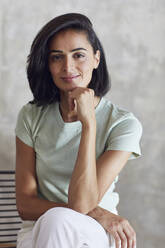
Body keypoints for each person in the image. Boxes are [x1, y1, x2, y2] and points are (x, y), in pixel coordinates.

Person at [15, 13, 142, 248]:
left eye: (79, 55)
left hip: (94, 232)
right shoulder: (31, 116)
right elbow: (25, 205)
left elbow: (83, 203)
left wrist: (88, 123)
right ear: (48, 65)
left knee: (59, 220)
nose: (68, 67)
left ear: (96, 59)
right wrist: (99, 212)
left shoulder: (124, 124)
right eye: (56, 57)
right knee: (56, 221)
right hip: (38, 229)